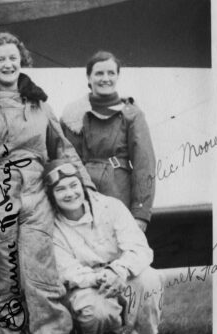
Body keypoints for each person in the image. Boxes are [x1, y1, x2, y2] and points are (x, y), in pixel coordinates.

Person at [0, 31, 93, 334]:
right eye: (1, 59)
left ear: (22, 61)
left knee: (41, 270)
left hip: (36, 194)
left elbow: (61, 148)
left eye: (13, 58)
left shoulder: (39, 103)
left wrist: (86, 186)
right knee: (2, 275)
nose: (8, 64)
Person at [44, 159, 162, 334]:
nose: (70, 193)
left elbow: (140, 248)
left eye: (74, 185)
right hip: (87, 284)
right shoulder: (53, 227)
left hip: (121, 273)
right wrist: (100, 277)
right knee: (97, 312)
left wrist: (119, 270)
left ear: (82, 185)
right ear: (52, 196)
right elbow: (66, 270)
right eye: (61, 189)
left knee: (150, 279)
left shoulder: (111, 206)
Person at [60, 51, 156, 231]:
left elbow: (145, 165)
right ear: (89, 77)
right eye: (99, 73)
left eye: (111, 73)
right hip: (81, 194)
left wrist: (140, 214)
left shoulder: (131, 114)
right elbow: (63, 160)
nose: (105, 78)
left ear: (118, 76)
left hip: (118, 192)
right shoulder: (72, 116)